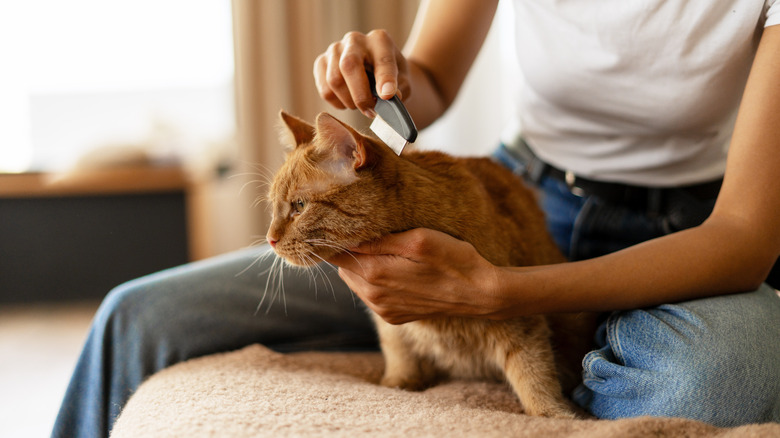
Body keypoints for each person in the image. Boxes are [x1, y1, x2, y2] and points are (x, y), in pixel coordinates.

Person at [52, 1, 780, 437]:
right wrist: (379, 76)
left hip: (686, 232)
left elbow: (744, 238)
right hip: (516, 194)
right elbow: (426, 83)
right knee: (136, 316)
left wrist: (495, 298)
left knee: (710, 384)